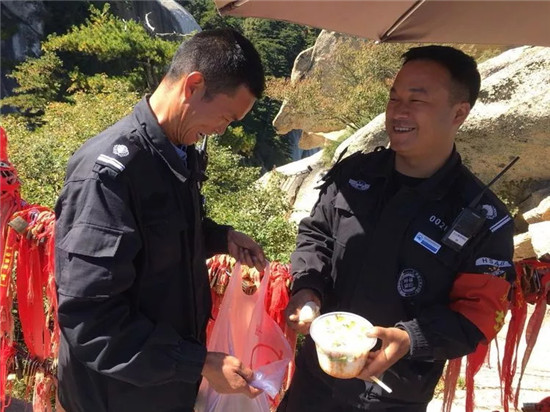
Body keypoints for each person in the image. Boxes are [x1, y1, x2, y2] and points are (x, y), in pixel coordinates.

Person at [278, 45, 516, 411]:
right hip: (313, 382)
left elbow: (478, 315)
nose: (398, 111)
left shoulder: (484, 218)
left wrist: (410, 338)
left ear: (459, 113)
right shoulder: (355, 174)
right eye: (394, 97)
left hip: (394, 396)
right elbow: (316, 234)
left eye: (416, 100)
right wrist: (307, 287)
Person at [55, 29, 267, 412]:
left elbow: (160, 236)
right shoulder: (109, 176)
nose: (222, 130)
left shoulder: (176, 152)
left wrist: (220, 238)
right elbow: (90, 319)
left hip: (162, 387)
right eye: (225, 117)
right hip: (114, 396)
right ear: (194, 86)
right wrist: (196, 363)